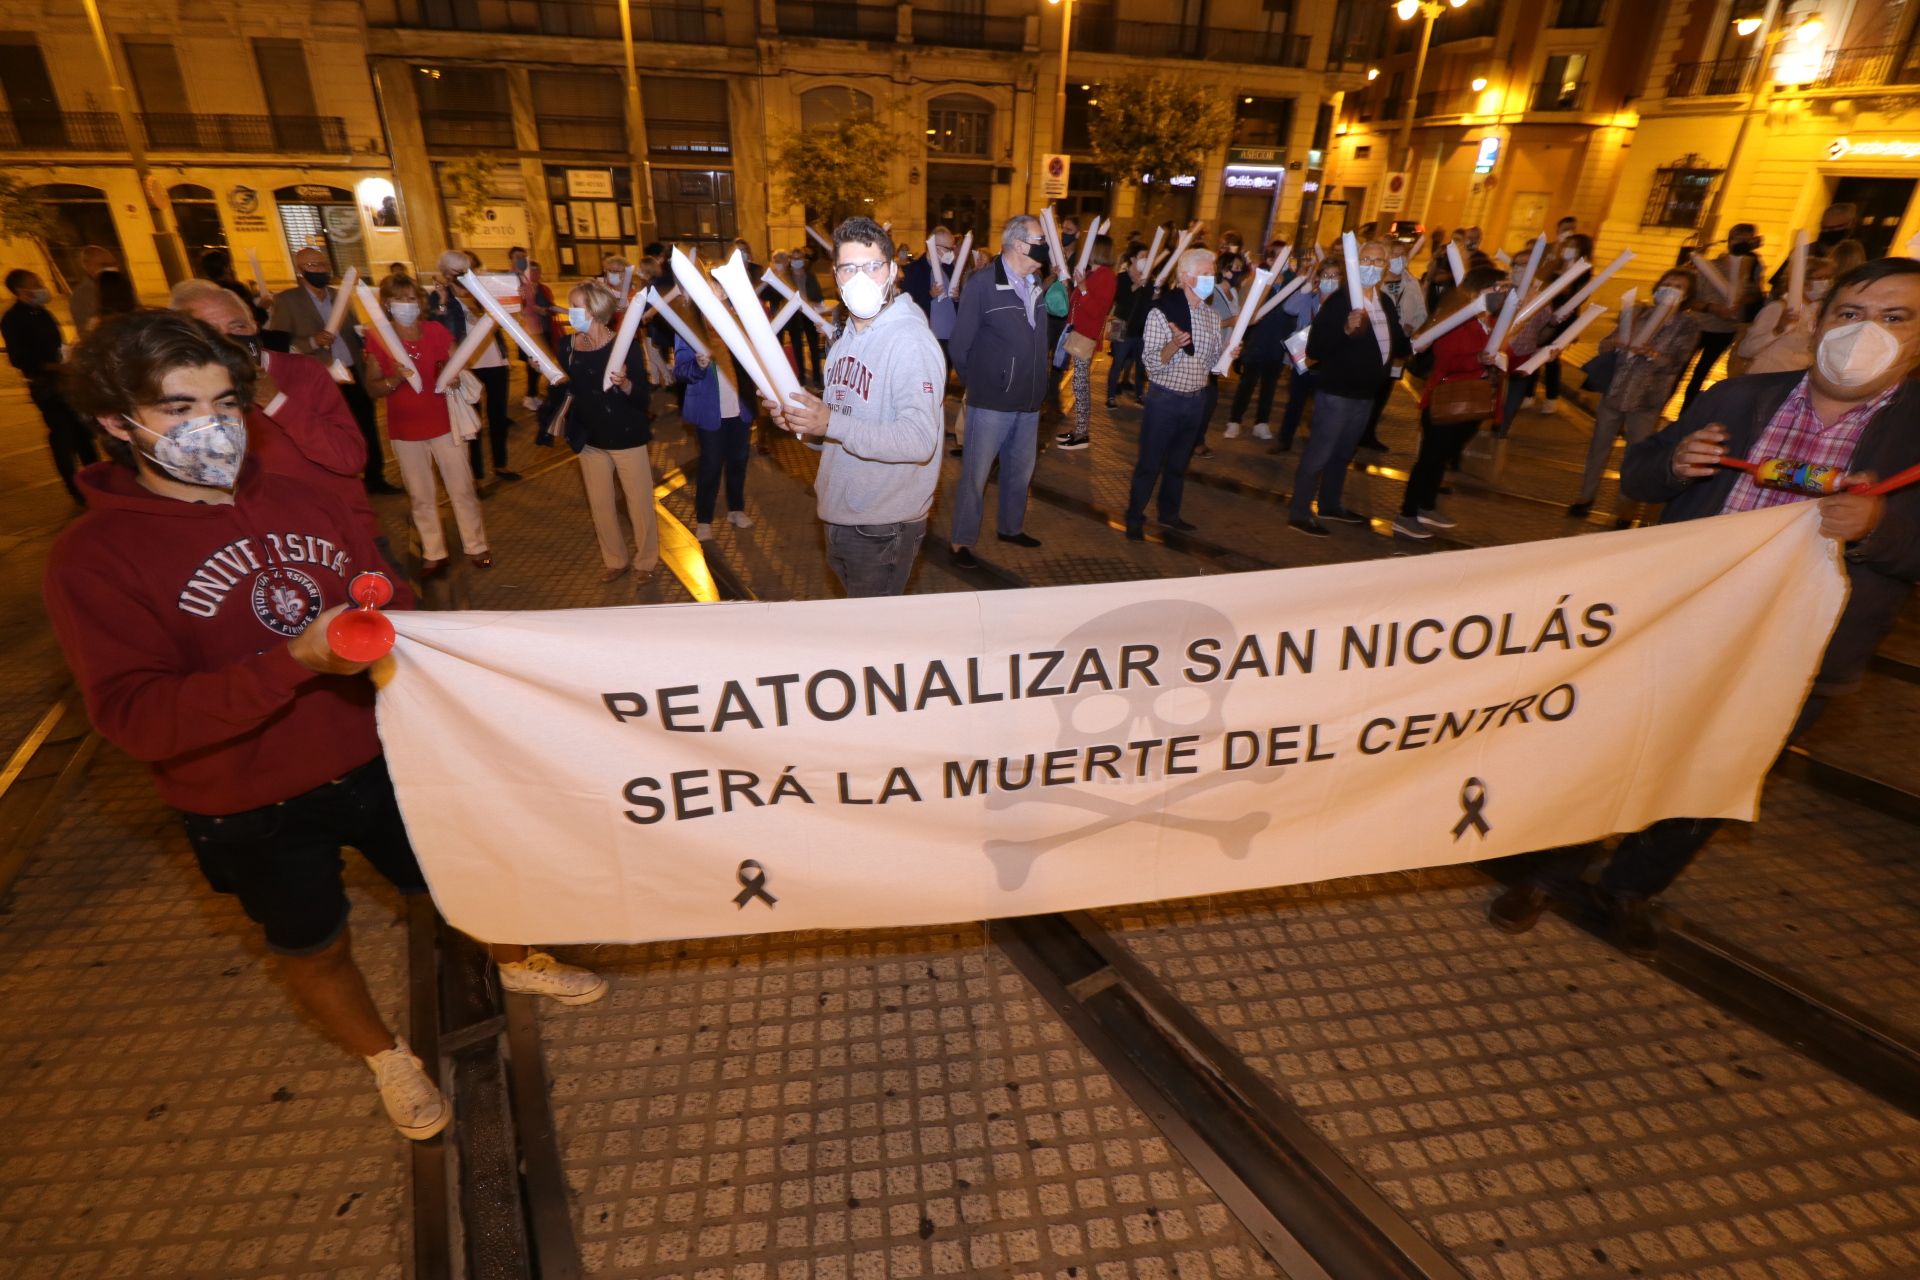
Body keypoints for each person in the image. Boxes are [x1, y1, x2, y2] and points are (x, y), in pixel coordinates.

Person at [44, 310, 603, 1143]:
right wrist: (293, 664)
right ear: (117, 423)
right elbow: (135, 717)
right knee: (314, 944)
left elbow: (385, 586)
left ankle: (518, 961)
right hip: (246, 798)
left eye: (227, 402)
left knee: (462, 876)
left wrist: (386, 607)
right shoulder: (92, 558)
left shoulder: (302, 495)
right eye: (179, 407)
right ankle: (384, 1056)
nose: (213, 426)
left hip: (378, 752)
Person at [1490, 257, 1920, 954]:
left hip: (1801, 652)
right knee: (1606, 749)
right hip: (1681, 621)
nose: (1866, 332)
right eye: (1850, 314)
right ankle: (1546, 869)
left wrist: (1880, 530)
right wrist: (1672, 464)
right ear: (1820, 324)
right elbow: (1639, 471)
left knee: (1715, 771)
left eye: (1894, 317)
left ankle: (1631, 886)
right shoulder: (1739, 397)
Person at [759, 217, 943, 596]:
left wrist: (831, 423)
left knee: (873, 640)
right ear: (837, 277)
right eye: (849, 268)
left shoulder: (910, 341)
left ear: (892, 271)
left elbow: (919, 440)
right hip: (840, 511)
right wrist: (803, 422)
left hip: (882, 523)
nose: (861, 278)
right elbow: (838, 425)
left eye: (872, 266)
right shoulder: (845, 338)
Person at [169, 279, 383, 549]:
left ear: (255, 327)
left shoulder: (305, 372)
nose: (230, 341)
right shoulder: (184, 402)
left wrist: (274, 400)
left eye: (237, 327)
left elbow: (349, 459)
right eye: (213, 333)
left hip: (344, 536)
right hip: (266, 551)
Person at [363, 273, 491, 575]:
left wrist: (454, 374)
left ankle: (476, 545)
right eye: (398, 299)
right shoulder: (378, 338)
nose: (405, 305)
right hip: (405, 431)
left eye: (410, 298)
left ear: (419, 302)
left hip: (444, 424)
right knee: (421, 494)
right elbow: (372, 387)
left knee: (461, 488)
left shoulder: (435, 331)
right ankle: (434, 551)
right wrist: (394, 377)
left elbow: (453, 364)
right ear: (387, 303)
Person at [946, 214, 1053, 569]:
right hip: (991, 402)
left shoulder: (1035, 281)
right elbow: (960, 346)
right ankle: (961, 541)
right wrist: (983, 383)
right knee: (976, 476)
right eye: (1040, 239)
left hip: (1030, 401)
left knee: (1019, 473)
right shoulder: (982, 284)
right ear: (1020, 244)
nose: (1046, 246)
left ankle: (1010, 527)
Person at [1288, 240, 1410, 536]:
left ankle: (1330, 504)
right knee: (1319, 454)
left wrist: (1417, 342)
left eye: (1378, 261)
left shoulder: (1384, 303)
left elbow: (1397, 343)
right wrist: (1344, 330)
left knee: (1343, 454)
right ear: (1355, 265)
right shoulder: (1340, 303)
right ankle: (1300, 512)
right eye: (1366, 259)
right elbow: (1315, 347)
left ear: (1384, 268)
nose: (1372, 265)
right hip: (1336, 394)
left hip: (1365, 395)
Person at [1568, 267, 1702, 518]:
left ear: (1686, 296)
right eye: (1667, 283)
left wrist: (1651, 353)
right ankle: (1585, 497)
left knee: (1635, 455)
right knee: (1598, 447)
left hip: (1646, 399)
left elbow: (1676, 362)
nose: (1670, 289)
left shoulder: (1687, 326)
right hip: (1615, 391)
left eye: (1679, 287)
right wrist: (1614, 343)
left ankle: (1624, 509)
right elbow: (1603, 345)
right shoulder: (1638, 312)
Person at [549, 280, 658, 583]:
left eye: (576, 306)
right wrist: (547, 372)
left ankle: (646, 562)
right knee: (600, 505)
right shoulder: (568, 346)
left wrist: (624, 384)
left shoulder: (625, 347)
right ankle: (615, 560)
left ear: (595, 310)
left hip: (626, 436)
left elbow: (642, 398)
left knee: (639, 504)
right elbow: (567, 389)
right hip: (589, 437)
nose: (570, 313)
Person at [269, 247, 400, 495]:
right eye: (313, 266)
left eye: (322, 265)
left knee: (366, 425)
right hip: (320, 377)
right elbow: (278, 344)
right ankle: (339, 480)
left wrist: (364, 339)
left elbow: (351, 329)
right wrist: (312, 342)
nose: (320, 270)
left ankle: (375, 476)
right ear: (301, 270)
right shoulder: (287, 300)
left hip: (352, 372)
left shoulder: (339, 295)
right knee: (330, 429)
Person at [1124, 247, 1227, 540]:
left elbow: (1210, 365)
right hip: (1165, 399)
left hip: (1197, 400)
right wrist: (1174, 345)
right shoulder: (1162, 311)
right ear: (1186, 277)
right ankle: (1134, 516)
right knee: (1150, 463)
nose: (1211, 280)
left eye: (1212, 274)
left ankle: (1169, 515)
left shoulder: (1211, 316)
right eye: (1205, 274)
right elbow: (1151, 364)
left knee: (1179, 464)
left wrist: (1227, 355)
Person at [1397, 265, 1507, 540]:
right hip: (1448, 397)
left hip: (1471, 399)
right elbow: (1445, 358)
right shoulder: (1458, 318)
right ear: (1481, 290)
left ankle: (1427, 505)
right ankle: (1406, 514)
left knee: (1441, 458)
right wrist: (1477, 360)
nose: (1502, 294)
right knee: (1429, 459)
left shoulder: (1488, 321)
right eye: (1498, 288)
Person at [3, 268, 99, 502]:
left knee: (83, 432)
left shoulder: (42, 313)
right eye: (34, 283)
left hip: (65, 380)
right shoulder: (13, 319)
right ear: (20, 290)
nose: (40, 286)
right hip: (46, 386)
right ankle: (74, 487)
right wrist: (52, 367)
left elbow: (55, 345)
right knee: (63, 435)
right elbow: (18, 358)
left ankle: (96, 479)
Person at [432, 250, 518, 484]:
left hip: (495, 361)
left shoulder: (481, 292)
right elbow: (437, 328)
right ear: (445, 273)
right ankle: (477, 475)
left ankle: (501, 464)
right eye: (455, 271)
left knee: (498, 417)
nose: (461, 276)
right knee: (474, 422)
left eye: (465, 270)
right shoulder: (440, 297)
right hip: (469, 366)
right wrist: (441, 303)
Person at [673, 297, 753, 543]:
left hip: (740, 409)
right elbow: (680, 371)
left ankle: (736, 509)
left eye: (725, 302)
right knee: (711, 465)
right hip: (709, 412)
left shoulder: (736, 330)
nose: (723, 307)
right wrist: (697, 365)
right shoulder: (690, 332)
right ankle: (704, 519)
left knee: (739, 461)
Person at [1682, 223, 1766, 410]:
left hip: (1725, 330)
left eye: (1747, 239)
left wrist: (1742, 299)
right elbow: (1688, 299)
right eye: (1738, 239)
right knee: (1679, 369)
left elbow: (1757, 294)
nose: (1741, 243)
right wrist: (1711, 307)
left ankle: (1685, 415)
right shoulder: (1710, 266)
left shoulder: (1753, 267)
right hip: (1699, 326)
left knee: (1701, 373)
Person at [1223, 244, 1297, 442]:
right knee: (1248, 381)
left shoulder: (1292, 280)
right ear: (1271, 260)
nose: (1285, 261)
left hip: (1279, 338)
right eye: (1280, 257)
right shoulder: (1259, 278)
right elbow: (1246, 303)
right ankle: (1235, 420)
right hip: (1258, 337)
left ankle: (1261, 422)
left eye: (1288, 257)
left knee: (1270, 384)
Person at [1055, 234, 1117, 451]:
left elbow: (1098, 310)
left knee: (1081, 385)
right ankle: (1079, 429)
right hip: (1078, 332)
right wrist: (1070, 285)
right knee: (1078, 384)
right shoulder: (1093, 273)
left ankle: (1082, 433)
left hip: (1086, 335)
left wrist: (1082, 287)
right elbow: (1077, 302)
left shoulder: (1107, 276)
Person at [1272, 255, 1337, 454]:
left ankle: (1317, 443)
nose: (1329, 279)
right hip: (1304, 356)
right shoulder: (1310, 298)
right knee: (1295, 401)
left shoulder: (1341, 304)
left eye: (1334, 276)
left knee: (1322, 406)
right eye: (1325, 275)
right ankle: (1284, 439)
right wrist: (1305, 289)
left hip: (1328, 362)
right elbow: (1289, 308)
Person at [1736, 257, 1836, 375]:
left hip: (1792, 381)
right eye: (1820, 278)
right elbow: (1745, 350)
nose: (1826, 283)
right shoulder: (1778, 309)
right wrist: (1778, 330)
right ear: (1802, 281)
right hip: (1766, 378)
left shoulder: (1818, 311)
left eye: (1829, 278)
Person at [901, 225, 959, 359]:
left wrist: (957, 297)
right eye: (949, 249)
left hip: (950, 338)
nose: (953, 252)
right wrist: (929, 295)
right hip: (926, 338)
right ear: (936, 248)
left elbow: (956, 302)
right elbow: (907, 304)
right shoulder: (913, 270)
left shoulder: (949, 268)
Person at [1106, 247, 1152, 408]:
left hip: (1141, 330)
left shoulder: (1149, 280)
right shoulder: (1122, 277)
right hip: (1122, 327)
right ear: (1133, 259)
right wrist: (1138, 284)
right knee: (1117, 363)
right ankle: (1110, 397)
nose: (1146, 259)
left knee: (1140, 364)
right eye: (1143, 255)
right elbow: (1121, 298)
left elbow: (1151, 303)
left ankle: (1140, 394)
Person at [519, 259, 558, 409]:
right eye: (532, 270)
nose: (536, 273)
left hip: (545, 330)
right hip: (531, 332)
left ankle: (534, 394)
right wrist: (537, 310)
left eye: (538, 270)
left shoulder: (543, 289)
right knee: (533, 365)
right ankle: (529, 395)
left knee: (544, 363)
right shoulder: (523, 288)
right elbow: (524, 307)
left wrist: (569, 312)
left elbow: (550, 306)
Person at [198, 248, 267, 323]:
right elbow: (251, 318)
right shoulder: (236, 289)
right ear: (226, 268)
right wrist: (262, 308)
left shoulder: (203, 292)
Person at [66, 245, 118, 332]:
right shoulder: (81, 296)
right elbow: (90, 331)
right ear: (89, 267)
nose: (112, 268)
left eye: (114, 263)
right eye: (105, 264)